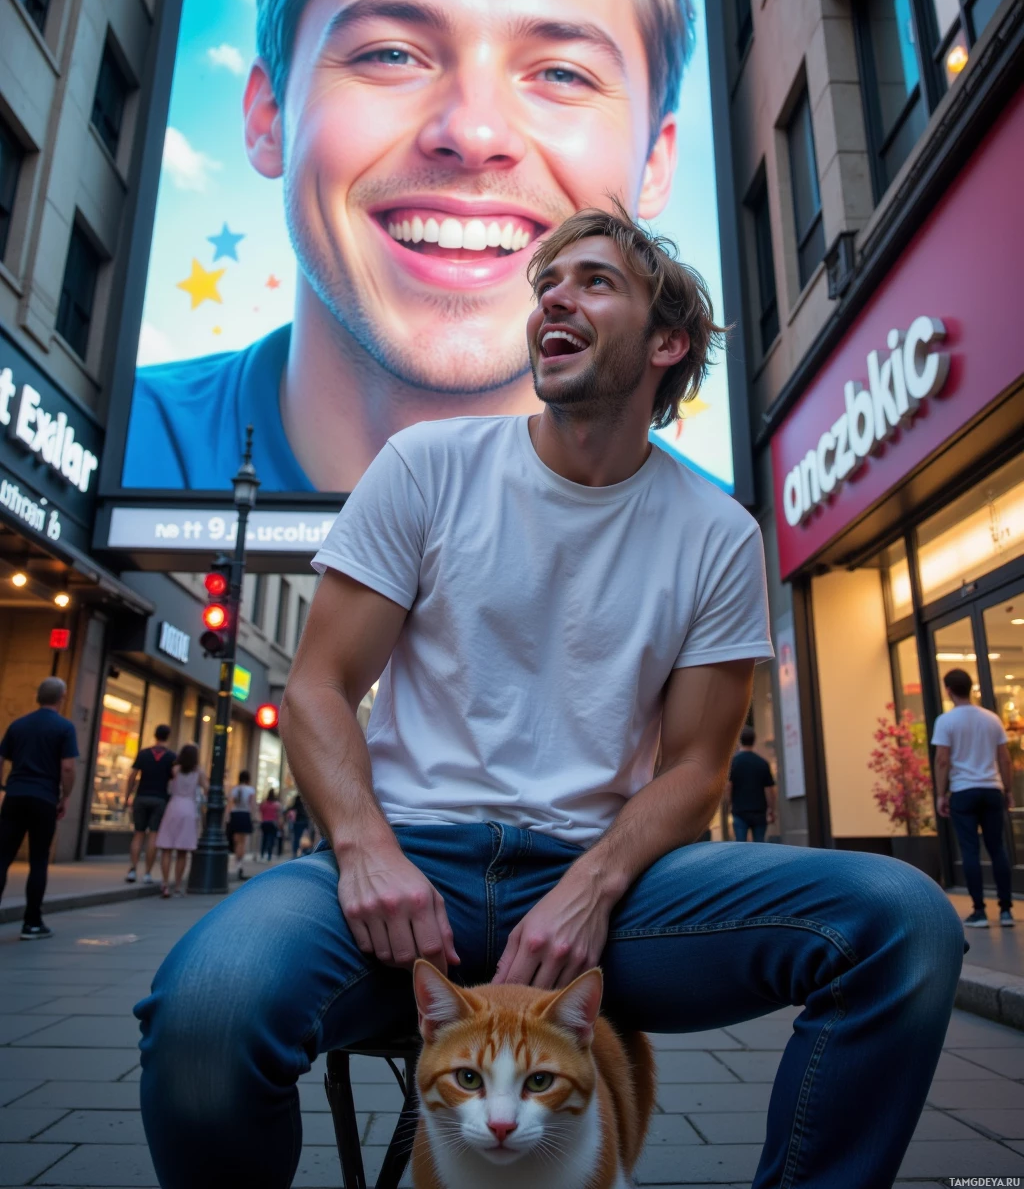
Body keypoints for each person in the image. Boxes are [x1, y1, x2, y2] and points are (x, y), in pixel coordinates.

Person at [136, 204, 964, 1189]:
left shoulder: (716, 532)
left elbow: (696, 764)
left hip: (606, 891)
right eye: (545, 285)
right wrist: (362, 850)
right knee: (205, 1016)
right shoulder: (427, 467)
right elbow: (317, 685)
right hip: (403, 867)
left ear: (667, 342)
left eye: (591, 281)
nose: (551, 300)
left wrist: (592, 885)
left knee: (899, 920)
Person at [123, 0, 697, 492]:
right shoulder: (124, 446)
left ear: (656, 164)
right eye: (391, 54)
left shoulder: (705, 546)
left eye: (562, 74)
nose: (475, 133)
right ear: (268, 117)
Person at [933, 666, 1015, 929]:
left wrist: (940, 794)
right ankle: (1005, 911)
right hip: (992, 789)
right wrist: (1009, 790)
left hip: (963, 791)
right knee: (997, 848)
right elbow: (1004, 757)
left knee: (970, 850)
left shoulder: (946, 721)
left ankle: (979, 911)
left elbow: (942, 760)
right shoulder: (992, 718)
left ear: (948, 690)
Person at [0, 677, 78, 940]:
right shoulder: (64, 727)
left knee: (3, 856)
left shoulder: (18, 725)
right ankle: (32, 922)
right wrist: (65, 797)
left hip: (15, 795)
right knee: (38, 860)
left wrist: (3, 787)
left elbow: (1, 758)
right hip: (44, 798)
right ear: (62, 697)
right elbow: (67, 767)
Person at [124, 724, 176, 886]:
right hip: (160, 799)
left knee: (138, 834)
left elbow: (132, 776)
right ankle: (147, 873)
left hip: (142, 797)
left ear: (155, 735)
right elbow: (174, 780)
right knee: (153, 835)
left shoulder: (144, 753)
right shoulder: (171, 757)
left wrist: (127, 797)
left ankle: (132, 870)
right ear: (168, 737)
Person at [155, 745, 206, 899]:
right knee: (182, 851)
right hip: (189, 808)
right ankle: (177, 886)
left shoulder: (175, 770)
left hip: (173, 807)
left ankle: (165, 884)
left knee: (167, 848)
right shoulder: (199, 772)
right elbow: (208, 788)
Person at [726, 725, 777, 842]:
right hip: (759, 811)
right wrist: (771, 809)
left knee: (741, 844)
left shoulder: (734, 763)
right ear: (754, 741)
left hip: (739, 811)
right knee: (760, 845)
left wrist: (729, 804)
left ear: (739, 741)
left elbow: (729, 787)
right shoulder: (762, 763)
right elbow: (769, 790)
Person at [226, 771, 256, 880]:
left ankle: (236, 862)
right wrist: (254, 817)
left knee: (236, 841)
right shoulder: (250, 790)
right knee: (242, 842)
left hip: (235, 815)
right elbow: (252, 805)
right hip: (244, 815)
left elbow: (230, 803)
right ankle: (239, 864)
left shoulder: (234, 789)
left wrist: (227, 817)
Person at [259, 789, 281, 861]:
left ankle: (262, 854)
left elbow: (261, 813)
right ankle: (269, 855)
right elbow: (277, 815)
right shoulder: (276, 805)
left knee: (264, 839)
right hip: (272, 823)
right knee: (271, 840)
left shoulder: (264, 804)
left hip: (265, 823)